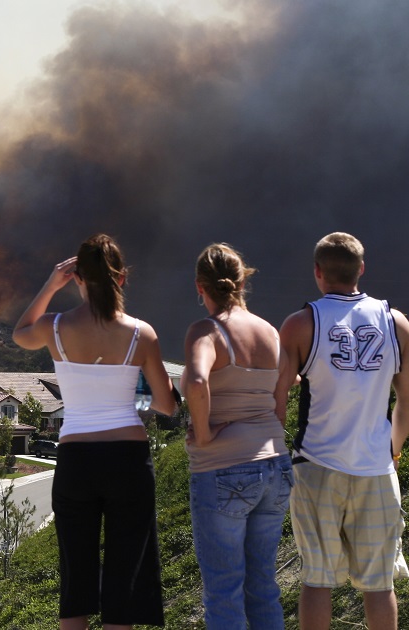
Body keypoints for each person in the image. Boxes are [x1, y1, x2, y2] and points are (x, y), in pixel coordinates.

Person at [13, 234, 176, 630]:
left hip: (76, 461)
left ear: (77, 278)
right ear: (122, 279)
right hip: (128, 460)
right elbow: (166, 405)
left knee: (76, 583)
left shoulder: (55, 328)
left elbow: (21, 332)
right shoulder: (142, 334)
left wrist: (51, 284)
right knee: (123, 583)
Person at [275, 232, 409, 630]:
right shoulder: (396, 322)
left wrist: (276, 459)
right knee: (379, 584)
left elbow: (278, 401)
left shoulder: (300, 324)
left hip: (316, 465)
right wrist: (394, 451)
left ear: (318, 272)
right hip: (375, 468)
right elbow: (407, 401)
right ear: (361, 269)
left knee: (317, 581)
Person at [182, 244, 291, 629]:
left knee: (224, 590)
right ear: (243, 280)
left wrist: (207, 433)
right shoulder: (271, 333)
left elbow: (196, 381)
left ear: (200, 286)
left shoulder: (206, 331)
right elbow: (284, 394)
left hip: (223, 469)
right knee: (262, 584)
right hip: (275, 465)